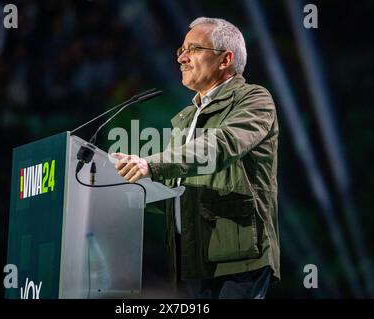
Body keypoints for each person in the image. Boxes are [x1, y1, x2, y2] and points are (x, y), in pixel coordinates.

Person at [113, 17, 279, 299]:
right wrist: (125, 189)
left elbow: (221, 145)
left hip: (238, 255)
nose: (181, 57)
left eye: (193, 49)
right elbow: (179, 189)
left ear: (225, 59)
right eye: (180, 49)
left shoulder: (254, 99)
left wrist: (151, 164)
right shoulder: (186, 118)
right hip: (192, 259)